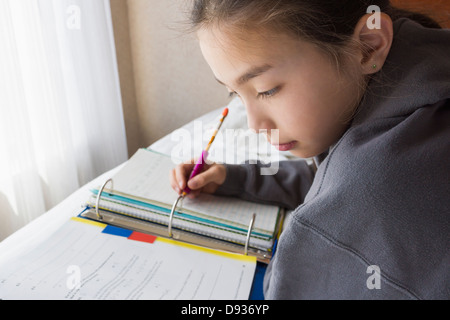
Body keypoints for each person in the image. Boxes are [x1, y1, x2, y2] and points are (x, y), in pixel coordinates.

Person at [170, 0, 450, 299]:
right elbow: (333, 180)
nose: (254, 125)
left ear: (369, 46)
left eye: (267, 89)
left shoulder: (377, 183)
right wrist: (237, 178)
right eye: (234, 93)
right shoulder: (423, 64)